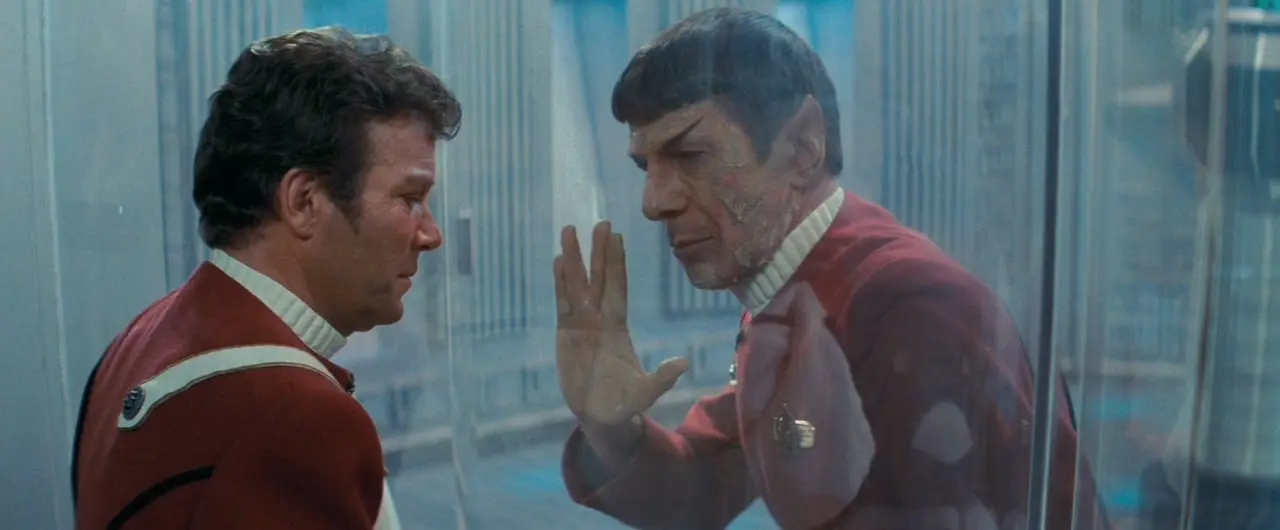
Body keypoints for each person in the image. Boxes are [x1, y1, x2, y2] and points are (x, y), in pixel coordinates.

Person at [553, 8, 1106, 530]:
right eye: (647, 166)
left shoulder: (904, 306)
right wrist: (612, 430)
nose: (654, 202)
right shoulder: (813, 287)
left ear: (803, 147)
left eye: (690, 156)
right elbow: (705, 485)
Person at [71, 27, 460, 530]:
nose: (431, 235)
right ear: (303, 202)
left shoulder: (136, 342)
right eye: (410, 199)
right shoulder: (296, 418)